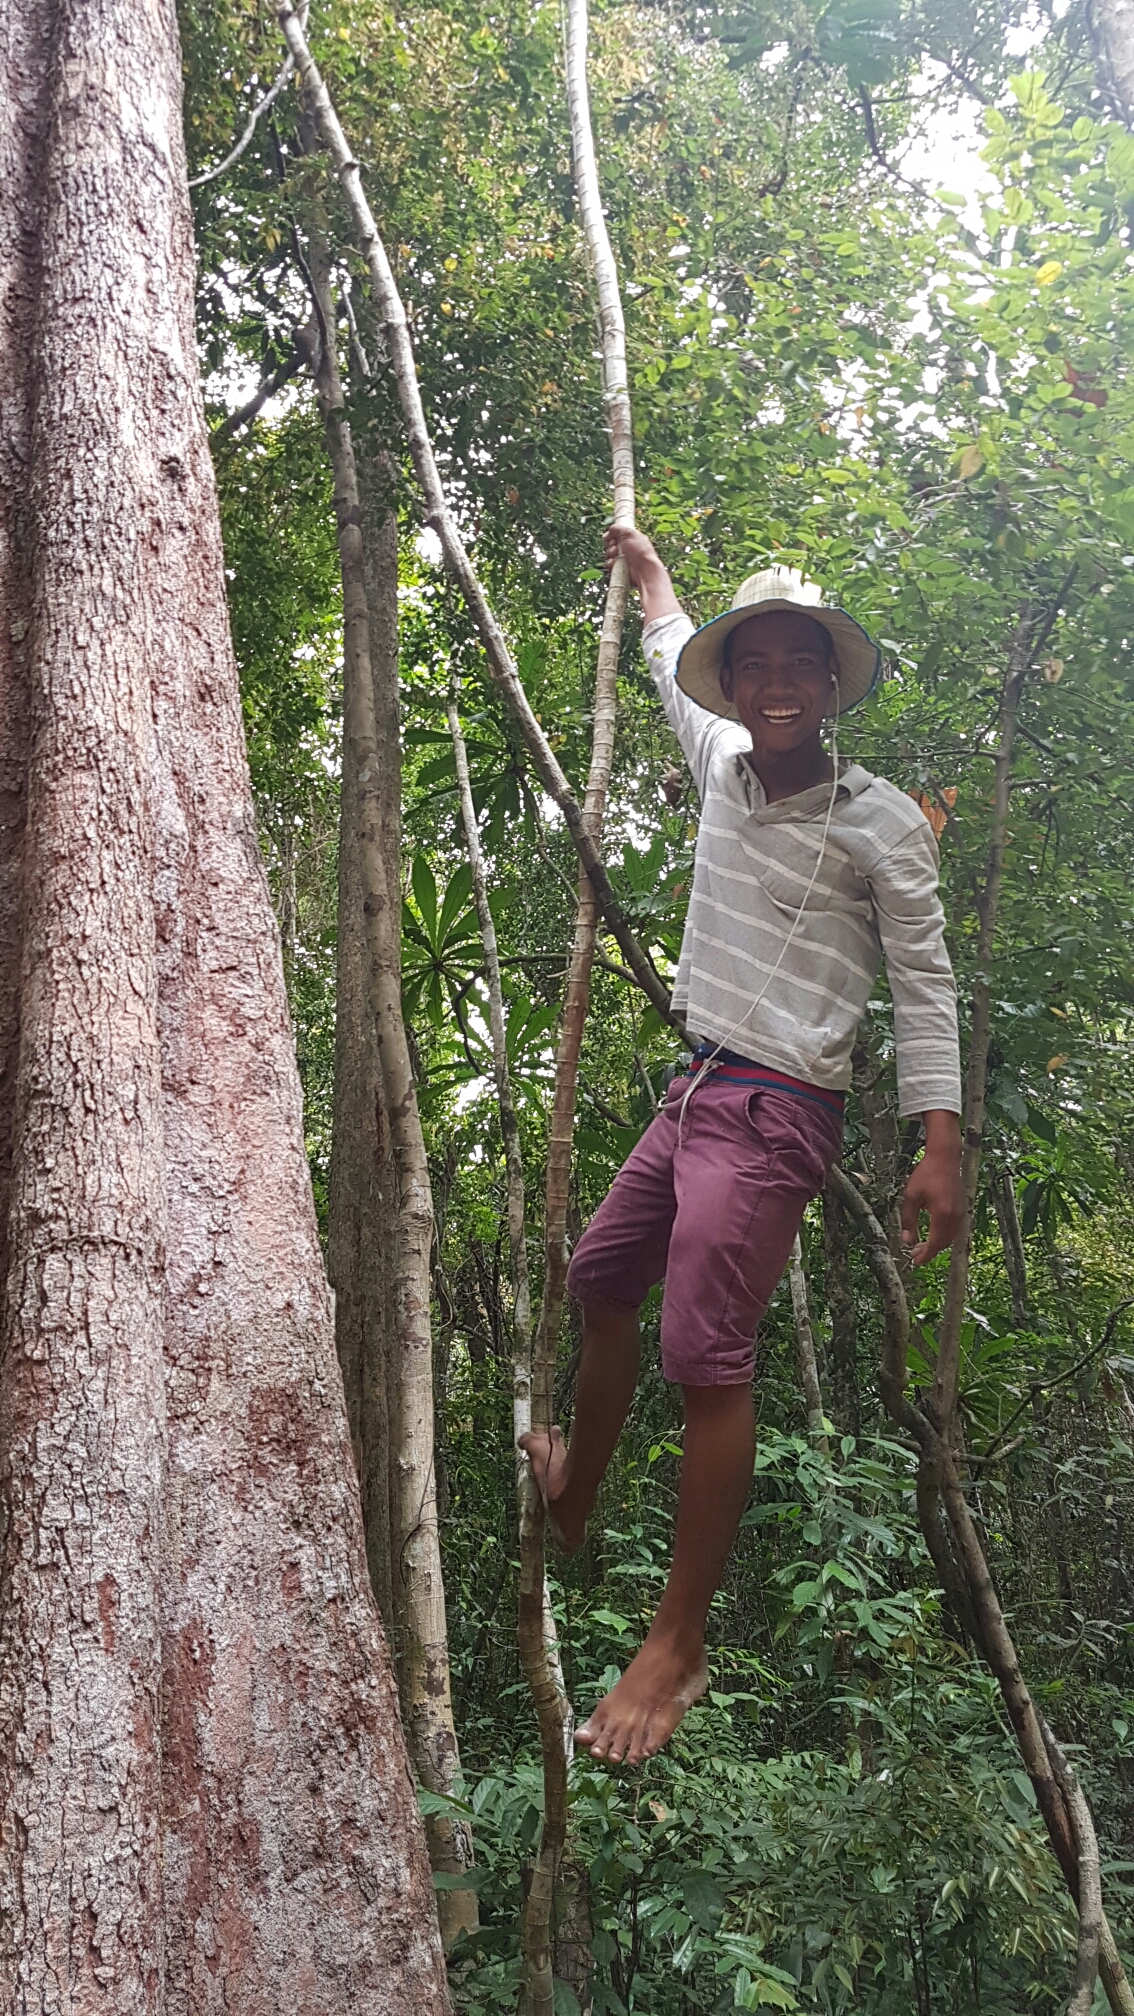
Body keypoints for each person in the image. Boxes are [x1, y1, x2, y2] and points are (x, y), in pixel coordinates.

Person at [521, 528, 964, 1767]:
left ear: (830, 684)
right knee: (601, 1276)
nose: (774, 685)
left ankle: (678, 1643)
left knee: (705, 1355)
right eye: (753, 664)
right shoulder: (720, 762)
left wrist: (940, 1144)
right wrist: (651, 577)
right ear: (732, 685)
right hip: (698, 1086)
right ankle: (576, 1490)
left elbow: (925, 984)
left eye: (797, 665)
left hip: (779, 1106)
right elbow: (668, 650)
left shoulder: (880, 822)